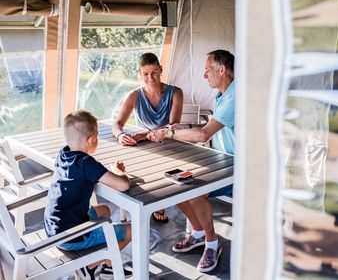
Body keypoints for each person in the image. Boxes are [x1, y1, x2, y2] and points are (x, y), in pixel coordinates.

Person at [147, 49, 235, 273]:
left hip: (240, 167)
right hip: (222, 160)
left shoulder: (235, 97)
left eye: (207, 70)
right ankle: (196, 234)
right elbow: (210, 127)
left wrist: (168, 133)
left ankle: (212, 243)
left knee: (193, 189)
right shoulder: (224, 94)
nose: (205, 75)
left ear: (221, 70)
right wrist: (181, 128)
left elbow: (205, 135)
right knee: (175, 181)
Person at [44, 110, 132, 279]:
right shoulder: (86, 163)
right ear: (91, 139)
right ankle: (90, 266)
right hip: (71, 237)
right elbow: (123, 185)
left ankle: (109, 266)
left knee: (105, 210)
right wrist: (117, 171)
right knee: (131, 230)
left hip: (54, 228)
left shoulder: (63, 154)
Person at [112, 52, 183, 223]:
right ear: (140, 74)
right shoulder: (134, 95)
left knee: (163, 169)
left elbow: (172, 126)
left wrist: (143, 134)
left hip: (169, 143)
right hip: (143, 146)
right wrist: (121, 135)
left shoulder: (176, 93)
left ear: (161, 70)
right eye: (145, 74)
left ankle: (156, 201)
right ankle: (144, 204)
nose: (150, 77)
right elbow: (116, 124)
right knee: (127, 169)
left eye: (154, 72)